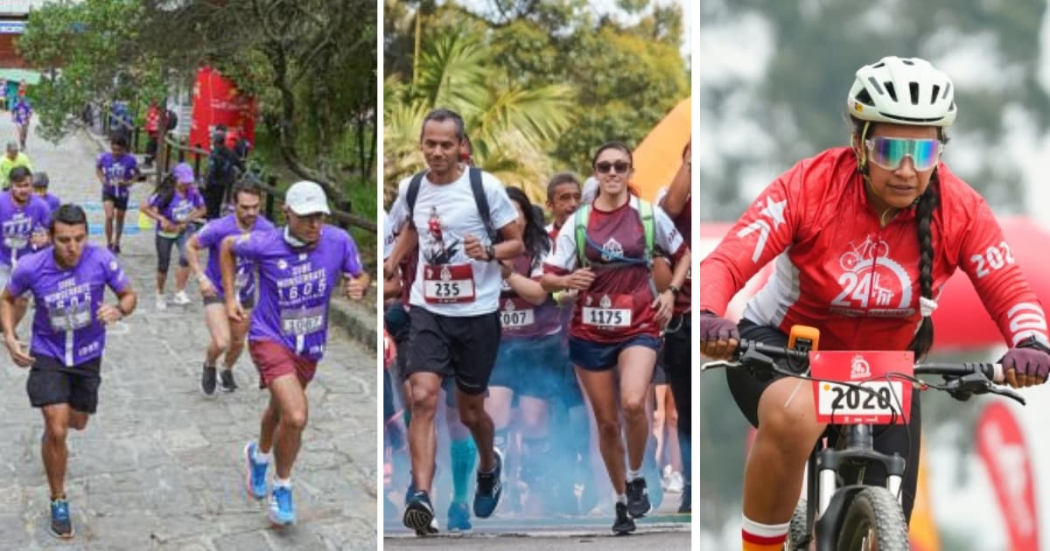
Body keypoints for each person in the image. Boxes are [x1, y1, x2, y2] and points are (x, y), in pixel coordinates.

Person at [697, 56, 1050, 551]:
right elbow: (728, 260)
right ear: (860, 143)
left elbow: (1011, 287)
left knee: (894, 527)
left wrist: (1030, 342)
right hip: (782, 351)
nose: (907, 170)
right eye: (890, 149)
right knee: (799, 415)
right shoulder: (810, 186)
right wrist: (710, 315)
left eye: (922, 151)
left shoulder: (961, 208)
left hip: (886, 371)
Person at [385, 108, 524, 535]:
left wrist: (488, 252)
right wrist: (393, 260)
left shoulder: (484, 187)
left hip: (477, 315)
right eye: (431, 144)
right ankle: (421, 494)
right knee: (422, 397)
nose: (438, 152)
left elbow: (515, 240)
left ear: (461, 146)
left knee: (469, 412)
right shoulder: (412, 188)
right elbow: (413, 227)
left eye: (447, 144)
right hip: (428, 309)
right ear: (422, 145)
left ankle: (488, 463)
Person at [541, 141, 690, 534]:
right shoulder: (579, 222)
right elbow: (548, 275)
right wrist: (567, 279)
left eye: (620, 166)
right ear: (595, 172)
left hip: (638, 325)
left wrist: (672, 294)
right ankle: (622, 501)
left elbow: (684, 254)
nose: (612, 173)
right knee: (607, 424)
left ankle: (638, 473)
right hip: (589, 331)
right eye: (604, 167)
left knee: (633, 402)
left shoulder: (646, 215)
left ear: (629, 171)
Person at [226, 180, 368, 526]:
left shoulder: (338, 241)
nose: (314, 225)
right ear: (287, 213)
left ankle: (258, 457)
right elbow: (227, 247)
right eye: (306, 217)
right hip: (269, 337)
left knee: (280, 411)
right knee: (296, 415)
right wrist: (231, 297)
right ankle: (283, 488)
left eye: (319, 216)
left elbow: (359, 275)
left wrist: (359, 285)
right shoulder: (264, 243)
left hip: (309, 345)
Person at [1, 204, 137, 539]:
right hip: (48, 354)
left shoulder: (102, 259)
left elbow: (130, 294)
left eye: (78, 239)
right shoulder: (32, 267)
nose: (72, 247)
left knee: (76, 422)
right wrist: (9, 336)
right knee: (58, 428)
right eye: (63, 240)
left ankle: (52, 440)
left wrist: (119, 310)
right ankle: (58, 498)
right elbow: (7, 298)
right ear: (50, 238)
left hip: (88, 355)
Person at [186, 181, 275, 395]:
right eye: (245, 207)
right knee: (222, 340)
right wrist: (200, 277)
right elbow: (190, 245)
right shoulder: (219, 227)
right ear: (234, 205)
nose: (251, 212)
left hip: (244, 292)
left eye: (255, 206)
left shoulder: (266, 229)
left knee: (237, 342)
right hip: (216, 289)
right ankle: (209, 363)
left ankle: (227, 369)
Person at [655, 140, 692, 513]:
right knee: (682, 407)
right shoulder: (669, 198)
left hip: (716, 316)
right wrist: (691, 160)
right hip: (682, 315)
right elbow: (672, 208)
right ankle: (691, 486)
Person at [141, 163, 205, 310]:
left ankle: (180, 291)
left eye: (188, 181)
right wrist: (161, 219)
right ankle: (160, 293)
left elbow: (202, 209)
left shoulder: (193, 192)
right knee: (164, 264)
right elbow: (144, 207)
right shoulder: (165, 193)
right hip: (165, 232)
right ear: (176, 179)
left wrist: (188, 219)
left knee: (186, 256)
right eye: (183, 181)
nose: (186, 184)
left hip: (183, 230)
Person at [0, 166, 51, 330]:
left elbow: (55, 231)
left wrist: (46, 239)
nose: (23, 190)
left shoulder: (40, 205)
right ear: (11, 185)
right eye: (19, 185)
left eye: (27, 185)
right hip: (2, 259)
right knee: (4, 298)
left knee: (22, 300)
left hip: (26, 261)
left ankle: (9, 331)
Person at [96, 135, 140, 254]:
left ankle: (117, 242)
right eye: (114, 149)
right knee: (109, 216)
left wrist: (129, 182)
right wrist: (103, 179)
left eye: (119, 150)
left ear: (124, 149)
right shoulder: (105, 157)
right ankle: (109, 242)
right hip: (108, 190)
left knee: (120, 217)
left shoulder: (130, 160)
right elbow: (98, 168)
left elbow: (137, 174)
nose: (116, 152)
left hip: (122, 192)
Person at [204, 128, 244, 219]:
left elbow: (211, 170)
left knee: (209, 207)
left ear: (215, 140)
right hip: (223, 184)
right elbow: (240, 165)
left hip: (212, 184)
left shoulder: (215, 154)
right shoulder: (230, 152)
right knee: (217, 206)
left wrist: (206, 182)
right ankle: (215, 220)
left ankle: (210, 224)